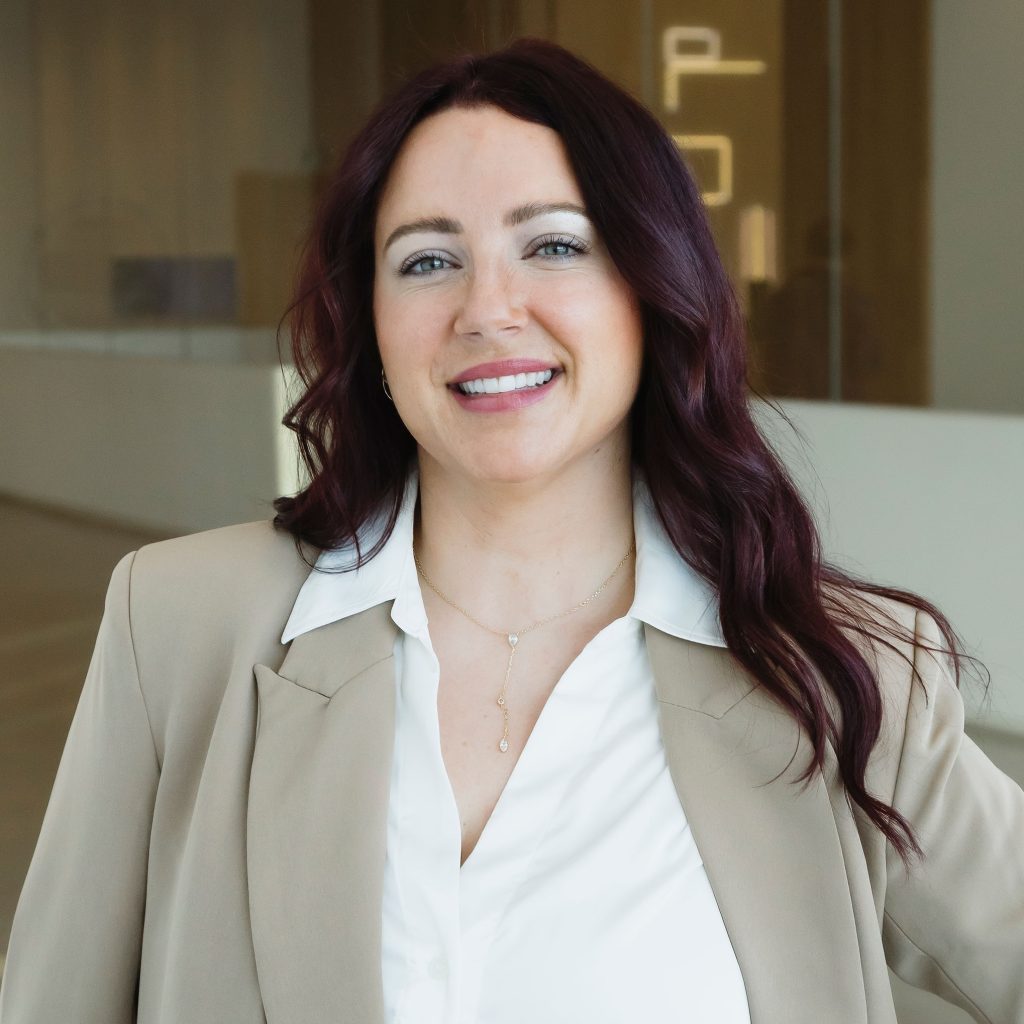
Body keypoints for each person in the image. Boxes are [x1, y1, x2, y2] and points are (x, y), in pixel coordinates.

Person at [1, 37, 1022, 1024]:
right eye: (428, 259)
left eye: (553, 245)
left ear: (652, 287)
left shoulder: (840, 674)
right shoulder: (179, 624)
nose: (487, 309)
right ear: (369, 319)